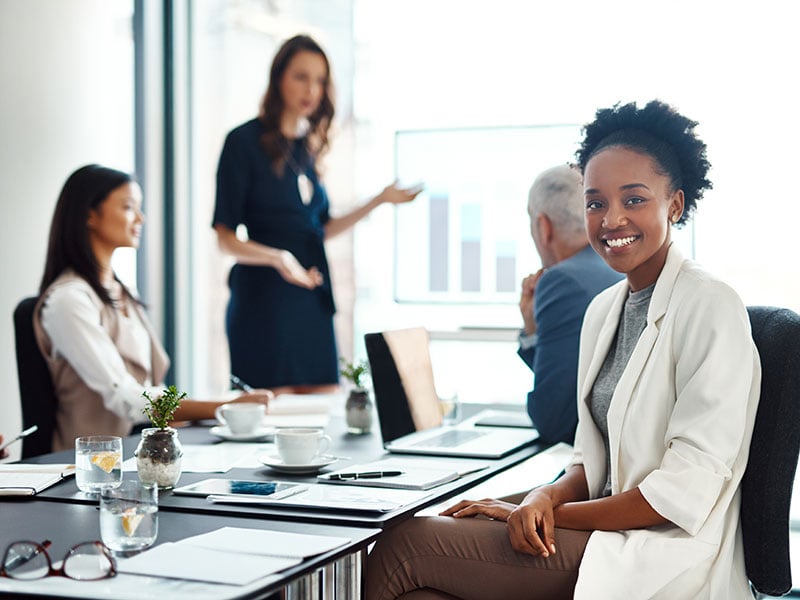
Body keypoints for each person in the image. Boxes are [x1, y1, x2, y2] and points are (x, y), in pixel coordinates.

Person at [365, 100, 761, 599]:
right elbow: (589, 457)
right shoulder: (604, 309)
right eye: (595, 203)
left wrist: (539, 512)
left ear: (675, 205)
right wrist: (543, 494)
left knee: (404, 548)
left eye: (634, 200)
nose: (611, 219)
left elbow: (682, 495)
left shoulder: (710, 305)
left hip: (668, 555)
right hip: (606, 535)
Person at [212, 34, 421, 393]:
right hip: (264, 303)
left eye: (320, 80)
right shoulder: (243, 142)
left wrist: (378, 200)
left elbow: (319, 229)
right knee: (270, 415)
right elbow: (225, 239)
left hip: (310, 297)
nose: (312, 89)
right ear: (278, 78)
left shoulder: (306, 150)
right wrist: (279, 258)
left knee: (326, 409)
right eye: (301, 77)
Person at [34, 164, 272, 452]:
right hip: (92, 467)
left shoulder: (122, 292)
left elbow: (147, 388)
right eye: (128, 207)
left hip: (141, 452)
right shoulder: (68, 301)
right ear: (89, 215)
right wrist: (226, 406)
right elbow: (123, 396)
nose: (141, 218)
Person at [518, 164, 622, 444]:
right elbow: (571, 382)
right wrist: (533, 331)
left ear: (543, 226)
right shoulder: (615, 266)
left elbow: (553, 419)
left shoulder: (562, 281)